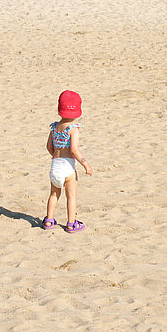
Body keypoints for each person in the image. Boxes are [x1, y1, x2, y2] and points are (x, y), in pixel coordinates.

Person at [43, 90, 93, 233]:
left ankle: (48, 220)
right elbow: (74, 150)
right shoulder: (73, 130)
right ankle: (71, 223)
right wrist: (86, 164)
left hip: (55, 166)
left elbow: (48, 147)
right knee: (71, 197)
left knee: (53, 194)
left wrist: (56, 156)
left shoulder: (54, 128)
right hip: (68, 168)